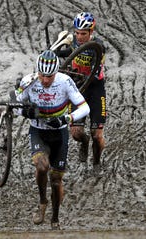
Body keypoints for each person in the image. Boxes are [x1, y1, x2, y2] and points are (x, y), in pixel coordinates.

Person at [16, 50, 90, 229]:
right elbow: (15, 105)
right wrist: (24, 111)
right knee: (42, 167)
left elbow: (84, 107)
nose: (45, 80)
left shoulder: (65, 82)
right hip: (38, 132)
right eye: (41, 75)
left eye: (49, 76)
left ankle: (55, 217)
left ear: (56, 72)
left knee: (56, 181)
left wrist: (68, 119)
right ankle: (42, 202)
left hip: (60, 133)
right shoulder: (29, 81)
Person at [56, 12, 106, 165]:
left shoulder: (98, 46)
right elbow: (67, 53)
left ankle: (96, 162)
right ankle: (84, 143)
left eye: (83, 33)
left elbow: (95, 70)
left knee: (96, 135)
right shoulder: (74, 42)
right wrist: (55, 51)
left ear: (91, 32)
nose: (79, 36)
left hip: (95, 89)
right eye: (77, 32)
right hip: (78, 88)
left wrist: (84, 75)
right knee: (76, 133)